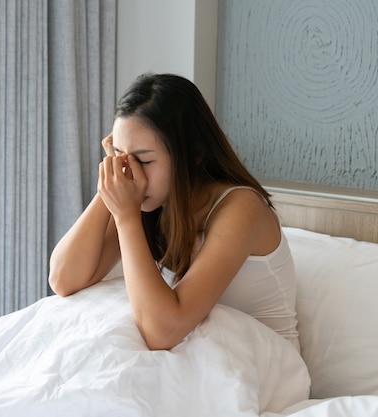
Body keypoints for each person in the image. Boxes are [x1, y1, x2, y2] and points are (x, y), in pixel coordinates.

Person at [48, 73, 299, 351]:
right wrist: (109, 185)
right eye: (120, 156)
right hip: (196, 354)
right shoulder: (151, 201)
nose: (130, 173)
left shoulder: (241, 208)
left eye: (143, 160)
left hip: (262, 366)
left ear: (192, 154)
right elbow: (63, 279)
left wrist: (126, 216)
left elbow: (162, 332)